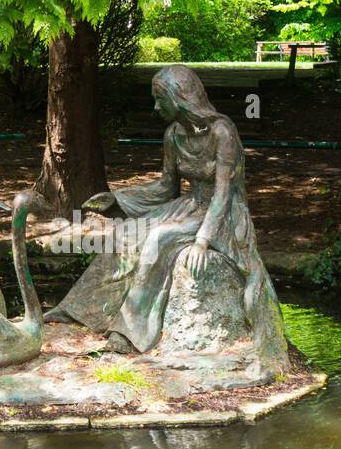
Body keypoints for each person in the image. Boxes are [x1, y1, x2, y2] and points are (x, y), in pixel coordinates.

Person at [45, 64, 287, 370]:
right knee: (124, 233)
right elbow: (165, 188)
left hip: (222, 216)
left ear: (181, 97)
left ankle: (130, 333)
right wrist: (118, 198)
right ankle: (80, 309)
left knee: (159, 238)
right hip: (188, 206)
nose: (156, 107)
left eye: (161, 99)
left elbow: (224, 196)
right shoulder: (173, 134)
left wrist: (202, 241)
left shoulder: (222, 133)